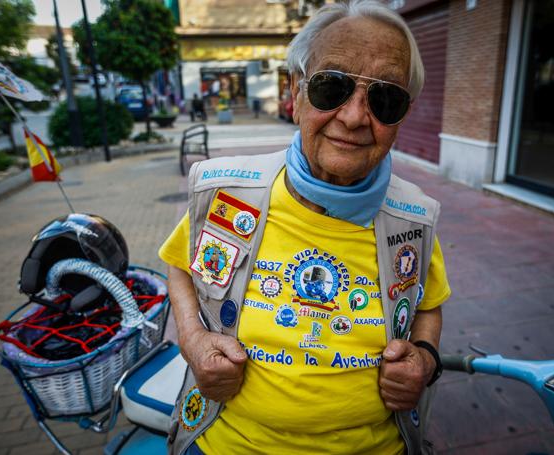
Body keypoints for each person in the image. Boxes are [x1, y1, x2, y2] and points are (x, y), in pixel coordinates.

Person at [159, 1, 451, 453]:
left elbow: (428, 305)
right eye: (331, 87)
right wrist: (193, 340)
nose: (354, 117)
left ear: (401, 117)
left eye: (384, 98)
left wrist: (425, 360)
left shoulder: (413, 216)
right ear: (296, 94)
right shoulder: (227, 194)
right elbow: (180, 265)